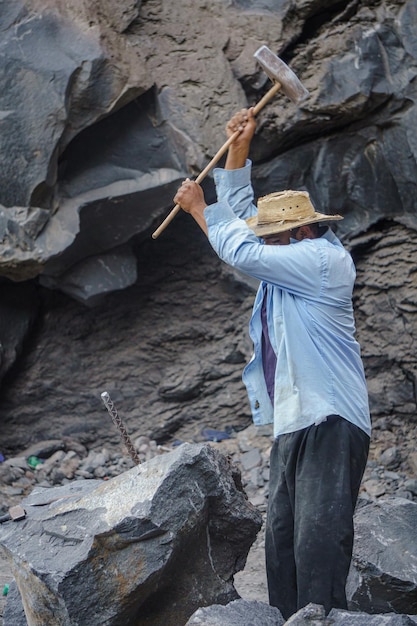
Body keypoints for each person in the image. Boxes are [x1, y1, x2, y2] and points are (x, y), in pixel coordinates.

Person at [173, 107, 371, 620]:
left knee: (318, 539)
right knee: (281, 540)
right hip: (293, 419)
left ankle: (323, 618)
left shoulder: (323, 262)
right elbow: (241, 220)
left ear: (300, 234)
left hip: (331, 418)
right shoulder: (290, 264)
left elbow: (239, 247)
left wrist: (198, 210)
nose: (264, 244)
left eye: (272, 238)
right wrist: (239, 146)